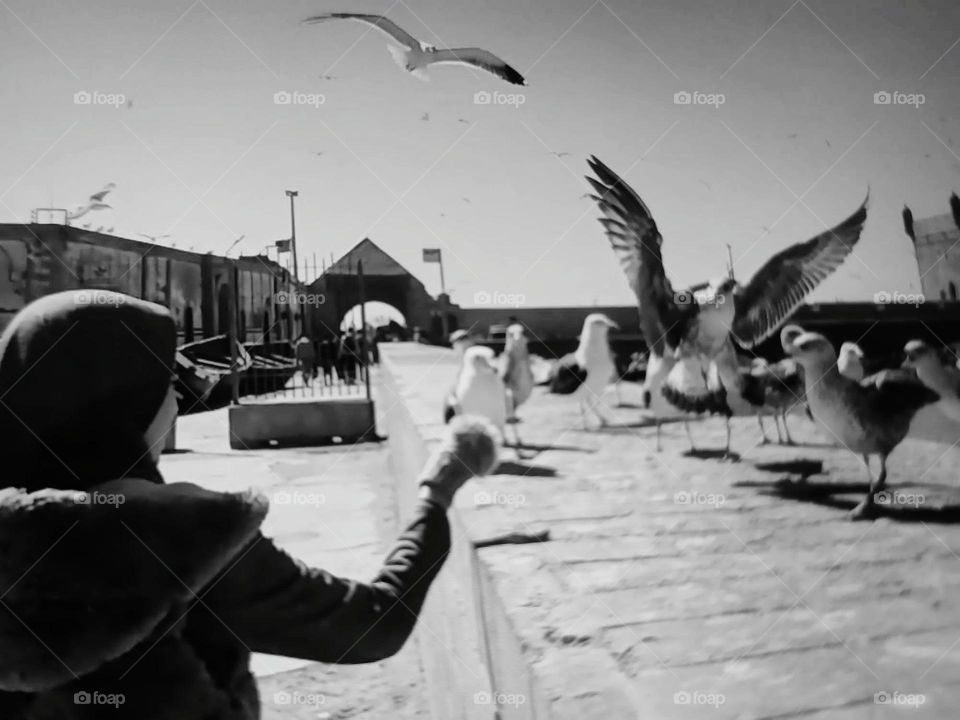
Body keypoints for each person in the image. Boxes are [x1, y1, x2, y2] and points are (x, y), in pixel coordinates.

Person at [0, 289, 498, 719]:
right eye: (168, 385)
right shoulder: (175, 536)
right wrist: (437, 492)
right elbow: (369, 624)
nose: (177, 403)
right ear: (122, 406)